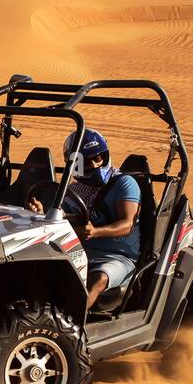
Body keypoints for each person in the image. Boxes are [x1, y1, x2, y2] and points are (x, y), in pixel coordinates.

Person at [27, 129, 140, 310]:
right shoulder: (76, 188)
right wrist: (42, 212)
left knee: (98, 279)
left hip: (117, 256)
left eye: (98, 158)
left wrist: (96, 232)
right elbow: (61, 216)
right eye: (87, 161)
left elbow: (127, 224)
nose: (95, 164)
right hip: (79, 250)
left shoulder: (124, 183)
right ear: (75, 164)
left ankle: (73, 329)